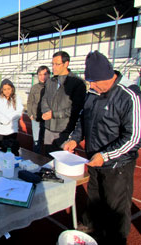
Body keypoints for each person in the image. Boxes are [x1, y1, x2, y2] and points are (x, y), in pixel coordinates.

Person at [63, 51, 141, 244]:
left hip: (118, 165)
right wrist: (74, 138)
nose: (90, 85)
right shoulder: (92, 94)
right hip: (94, 160)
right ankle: (91, 228)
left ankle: (115, 239)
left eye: (93, 81)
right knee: (95, 198)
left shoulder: (128, 95)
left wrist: (105, 156)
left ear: (105, 77)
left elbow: (133, 137)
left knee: (115, 207)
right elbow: (83, 119)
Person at [41, 51, 86, 155]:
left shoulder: (77, 83)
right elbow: (44, 99)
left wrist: (54, 114)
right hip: (49, 128)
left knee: (63, 162)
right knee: (48, 161)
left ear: (66, 64)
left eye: (57, 64)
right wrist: (46, 111)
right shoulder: (50, 82)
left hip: (65, 130)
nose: (53, 67)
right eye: (52, 64)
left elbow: (76, 108)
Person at [0, 79, 23, 155]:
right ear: (2, 90)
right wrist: (4, 120)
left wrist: (8, 119)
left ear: (12, 88)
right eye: (4, 89)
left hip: (11, 130)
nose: (7, 91)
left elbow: (18, 112)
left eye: (9, 89)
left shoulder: (17, 98)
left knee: (11, 151)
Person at [27, 66, 50, 153]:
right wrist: (30, 114)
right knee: (36, 141)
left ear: (48, 75)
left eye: (45, 74)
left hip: (48, 120)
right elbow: (30, 101)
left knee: (48, 142)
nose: (42, 77)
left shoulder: (52, 87)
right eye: (40, 74)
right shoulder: (34, 88)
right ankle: (36, 160)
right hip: (36, 119)